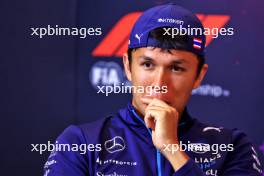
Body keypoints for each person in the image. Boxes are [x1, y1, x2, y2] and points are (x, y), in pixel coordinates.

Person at [43, 4, 263, 176]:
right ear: (128, 67)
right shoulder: (80, 142)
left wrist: (172, 149)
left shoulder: (232, 147)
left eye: (176, 68)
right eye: (147, 65)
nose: (160, 82)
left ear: (198, 76)